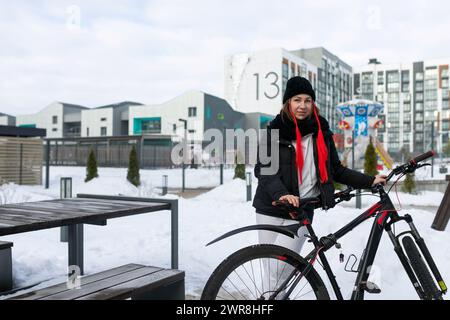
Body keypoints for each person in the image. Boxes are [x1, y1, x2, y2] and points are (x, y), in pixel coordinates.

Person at [252, 76, 386, 296]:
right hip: (271, 208)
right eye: (297, 100)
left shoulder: (321, 132)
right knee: (271, 273)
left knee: (280, 270)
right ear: (288, 103)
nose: (303, 105)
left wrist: (369, 180)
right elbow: (265, 172)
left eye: (307, 100)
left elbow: (337, 170)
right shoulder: (272, 133)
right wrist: (283, 194)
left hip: (301, 210)